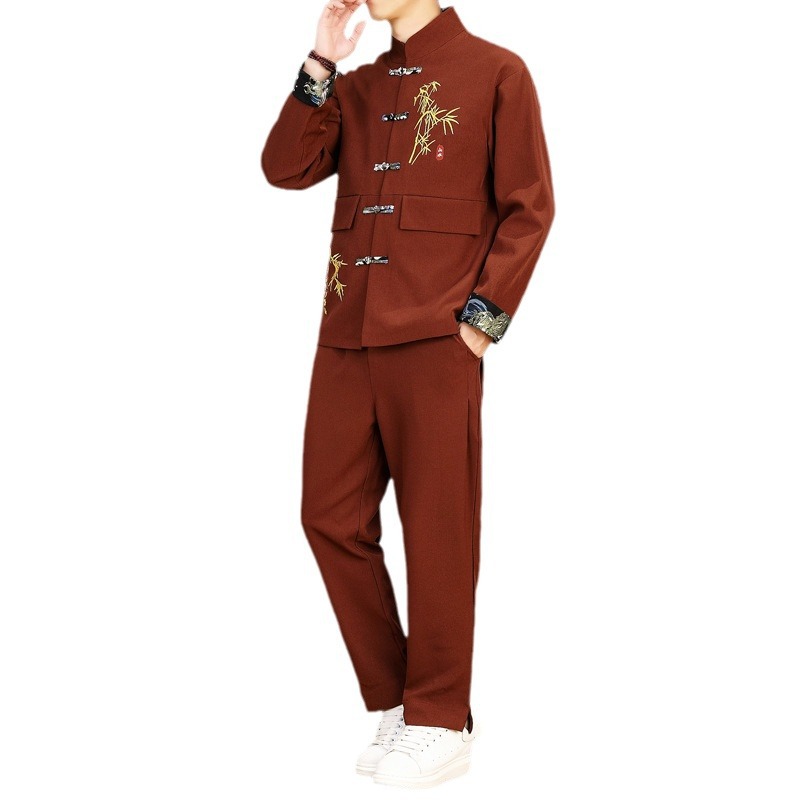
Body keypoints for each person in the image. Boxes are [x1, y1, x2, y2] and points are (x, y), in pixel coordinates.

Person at [261, 0, 554, 788]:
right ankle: (400, 700)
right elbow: (285, 166)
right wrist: (321, 63)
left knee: (438, 528)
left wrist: (479, 326)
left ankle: (440, 718)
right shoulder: (357, 89)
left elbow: (530, 207)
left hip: (435, 338)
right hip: (346, 334)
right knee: (327, 516)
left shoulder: (497, 72)